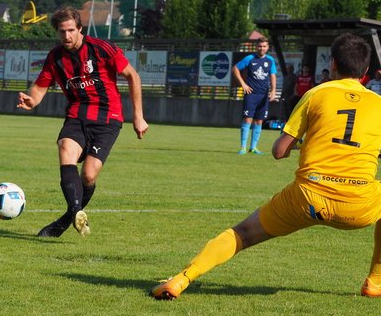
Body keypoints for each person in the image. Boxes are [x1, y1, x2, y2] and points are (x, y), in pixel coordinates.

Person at [151, 33, 381, 301]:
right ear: (365, 71)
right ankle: (375, 282)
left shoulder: (316, 94)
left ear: (331, 64)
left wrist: (307, 142)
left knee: (242, 234)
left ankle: (180, 280)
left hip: (309, 196)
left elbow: (279, 151)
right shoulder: (378, 104)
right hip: (359, 204)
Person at [17, 5, 148, 238]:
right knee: (65, 147)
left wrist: (138, 115)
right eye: (61, 31)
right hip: (77, 114)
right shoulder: (55, 57)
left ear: (80, 28)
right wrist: (31, 100)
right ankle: (77, 212)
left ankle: (66, 220)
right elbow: (39, 87)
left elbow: (133, 76)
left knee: (88, 175)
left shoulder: (101, 49)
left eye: (70, 30)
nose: (66, 36)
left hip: (108, 117)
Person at [232, 37, 277, 155]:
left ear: (267, 48)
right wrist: (243, 84)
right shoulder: (249, 58)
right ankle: (243, 147)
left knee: (259, 121)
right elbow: (235, 68)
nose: (262, 48)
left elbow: (273, 76)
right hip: (251, 94)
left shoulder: (270, 60)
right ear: (256, 47)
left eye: (264, 46)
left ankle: (253, 148)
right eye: (260, 46)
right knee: (247, 119)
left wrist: (273, 91)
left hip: (263, 95)